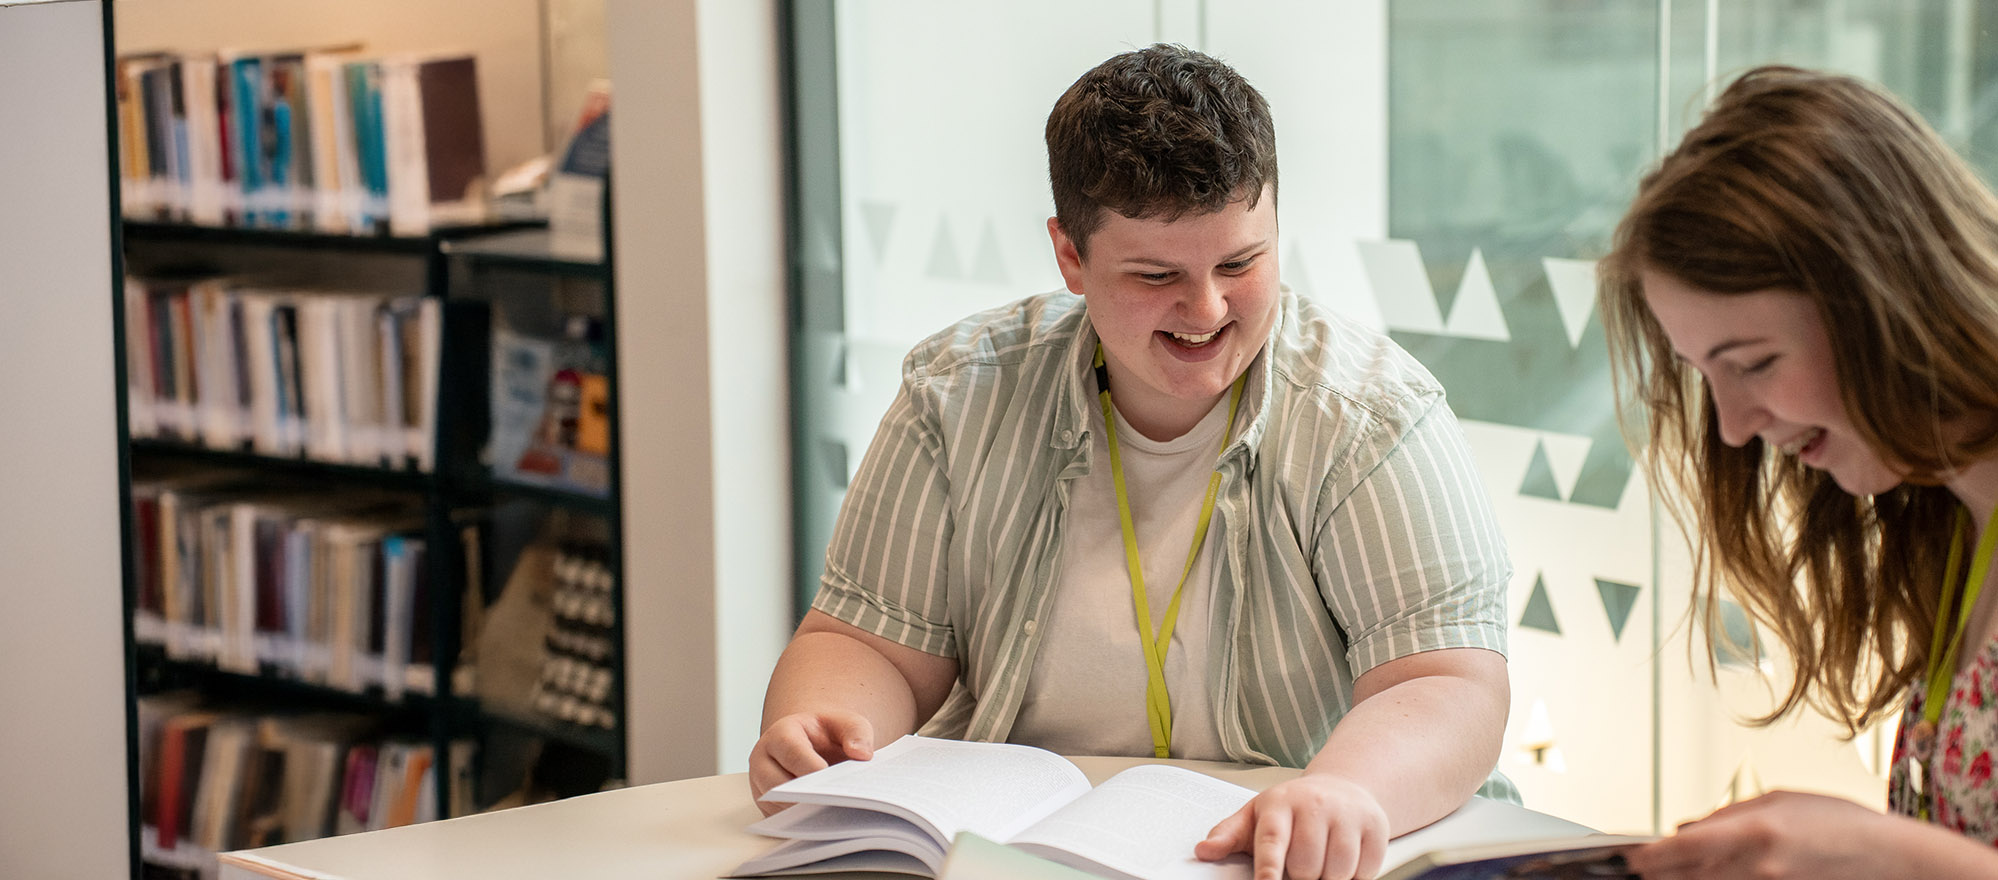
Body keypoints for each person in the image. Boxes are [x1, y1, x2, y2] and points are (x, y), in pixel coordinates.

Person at [749, 44, 1514, 880]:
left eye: (1241, 263)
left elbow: (1448, 683)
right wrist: (824, 728)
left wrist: (1345, 790)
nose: (1207, 309)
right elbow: (872, 644)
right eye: (1156, 275)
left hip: (1285, 858)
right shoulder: (957, 393)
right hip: (1018, 852)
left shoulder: (1373, 419)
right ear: (1070, 257)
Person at [1596, 65, 1998, 879]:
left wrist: (1882, 854)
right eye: (1706, 376)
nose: (1734, 427)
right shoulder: (1954, 524)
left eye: (1754, 363)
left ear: (1888, 303)